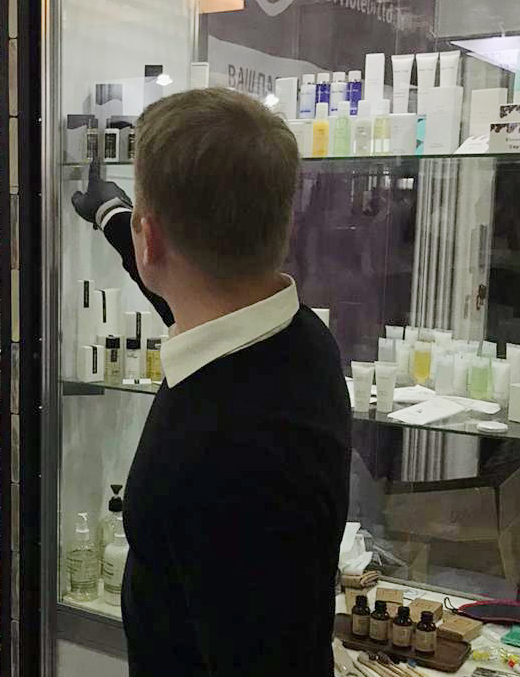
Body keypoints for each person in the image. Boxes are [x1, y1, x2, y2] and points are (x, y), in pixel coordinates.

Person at [72, 89, 351, 675]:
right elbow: (194, 293)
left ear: (153, 239)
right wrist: (117, 220)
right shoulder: (301, 339)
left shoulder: (211, 451)